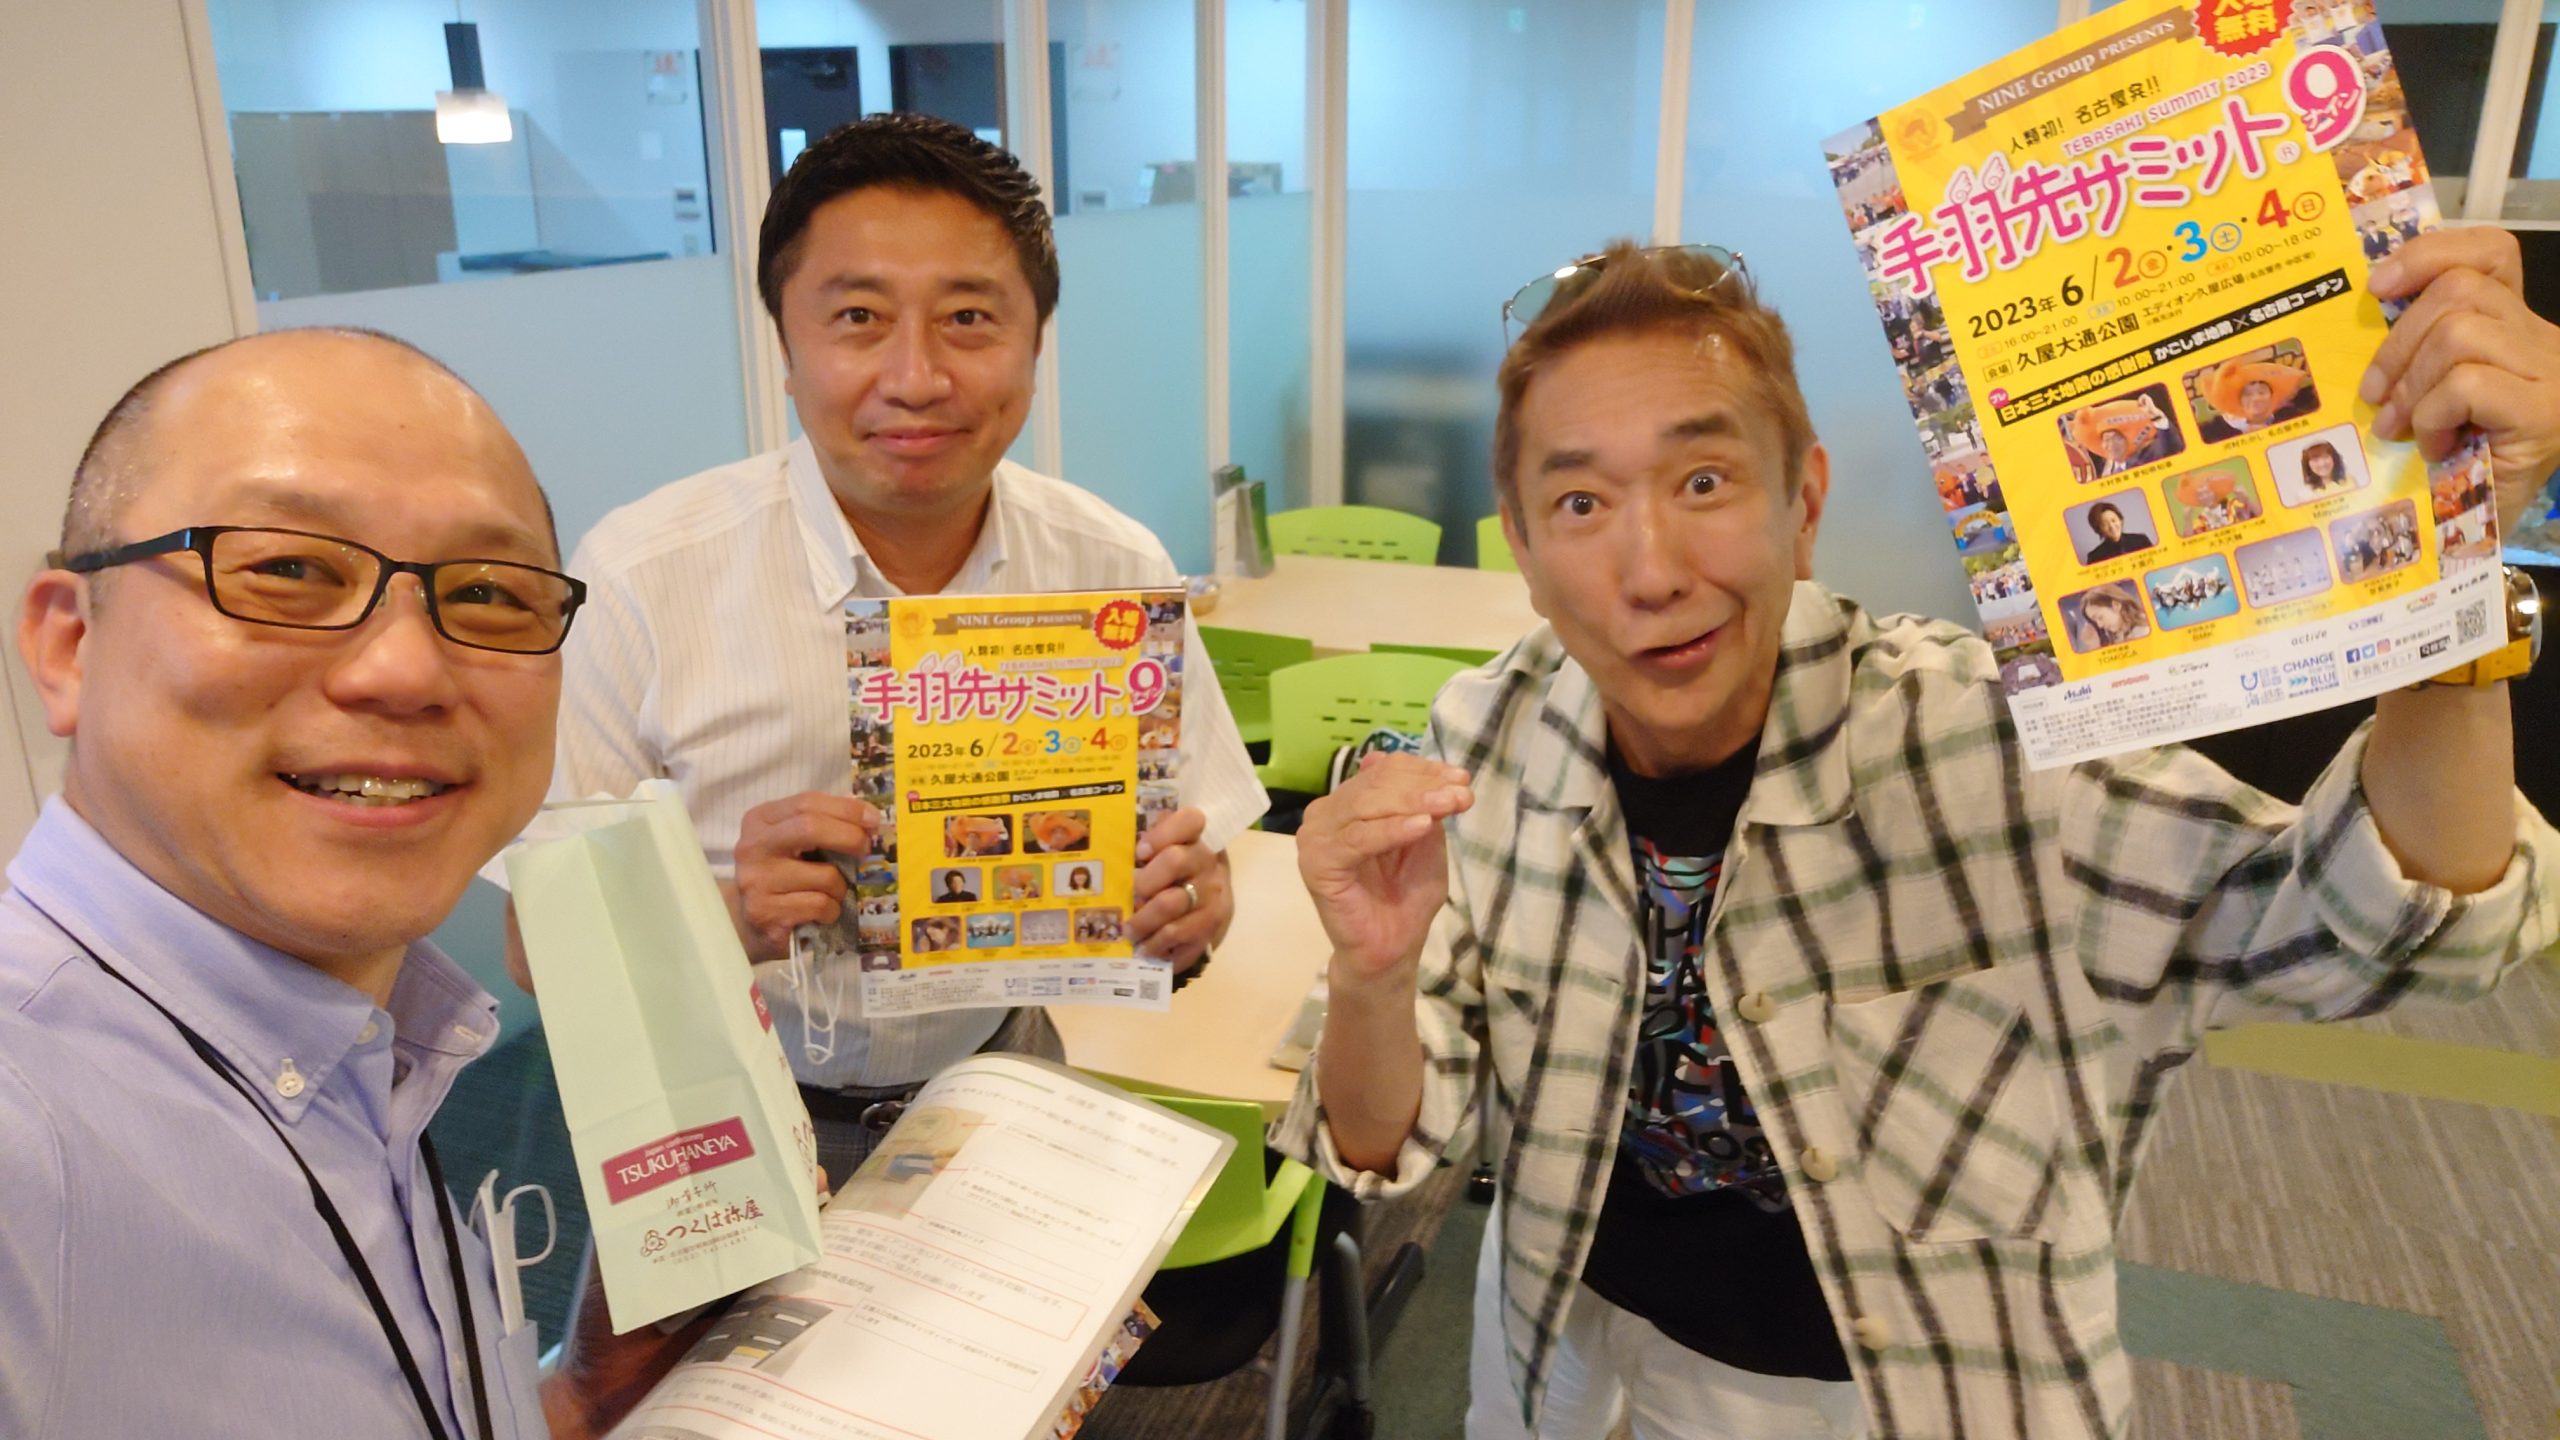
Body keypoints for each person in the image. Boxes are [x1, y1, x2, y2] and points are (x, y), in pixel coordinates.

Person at [1273, 231, 2560, 1439]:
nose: (1649, 570)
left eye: (1704, 480)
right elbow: (1388, 1145)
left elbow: (2387, 933)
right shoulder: (1489, 734)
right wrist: (1372, 976)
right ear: (1522, 545)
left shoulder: (1986, 750)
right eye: (1579, 503)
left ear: (1804, 501)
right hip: (1553, 1309)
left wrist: (2449, 562)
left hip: (1871, 1383)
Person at [524, 113, 1268, 1183]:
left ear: (1035, 348)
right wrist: (728, 917)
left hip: (1002, 1083)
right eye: (859, 318)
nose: (916, 377)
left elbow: (1203, 862)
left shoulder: (1110, 566)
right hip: (723, 1110)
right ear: (787, 349)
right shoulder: (641, 578)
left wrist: (1193, 907)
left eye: (968, 318)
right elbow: (539, 949)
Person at [0, 329, 698, 1437]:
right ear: (69, 644)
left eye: (487, 592)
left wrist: (575, 1402)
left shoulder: (363, 1046)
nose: (406, 670)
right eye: (287, 570)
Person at [2078, 500, 2154, 563]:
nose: (2112, 526)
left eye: (2113, 520)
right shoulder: (2094, 557)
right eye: (2104, 524)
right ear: (2099, 529)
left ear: (2120, 520)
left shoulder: (2142, 540)